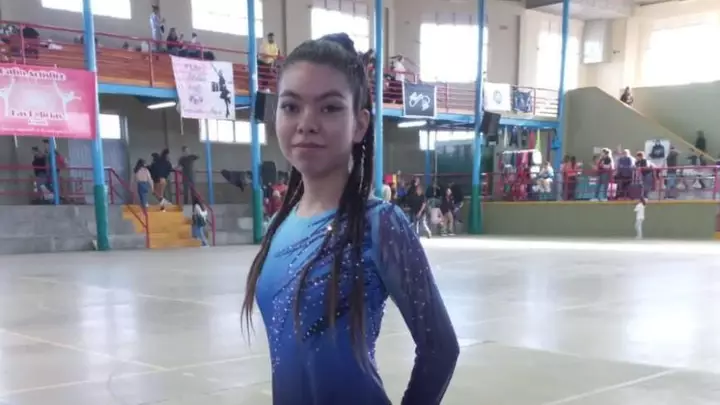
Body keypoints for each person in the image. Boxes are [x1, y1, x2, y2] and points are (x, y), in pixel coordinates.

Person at [240, 33, 458, 405]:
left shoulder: (380, 224)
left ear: (359, 124)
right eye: (291, 106)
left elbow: (440, 348)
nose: (306, 123)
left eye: (329, 108)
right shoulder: (279, 224)